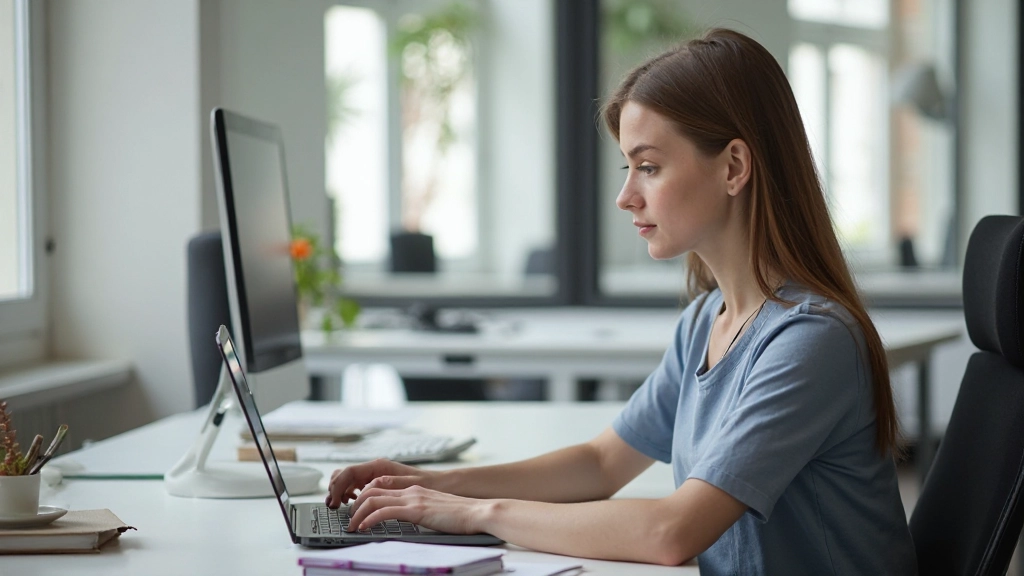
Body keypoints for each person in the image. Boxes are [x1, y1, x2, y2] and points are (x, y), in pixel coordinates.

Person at [326, 28, 917, 574]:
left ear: (734, 166)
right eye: (628, 167)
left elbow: (671, 531)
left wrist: (477, 515)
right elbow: (602, 463)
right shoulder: (705, 322)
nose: (625, 196)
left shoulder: (810, 340)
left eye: (649, 167)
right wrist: (436, 486)